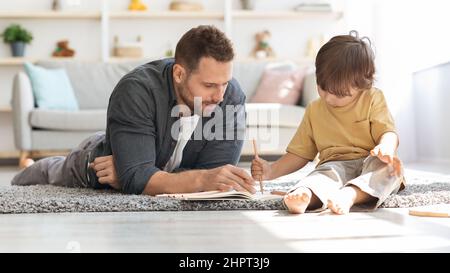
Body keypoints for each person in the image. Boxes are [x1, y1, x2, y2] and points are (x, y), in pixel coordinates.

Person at [12, 25, 256, 195]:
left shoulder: (230, 96)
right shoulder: (137, 90)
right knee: (56, 171)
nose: (220, 95)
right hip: (99, 159)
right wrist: (141, 176)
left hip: (136, 158)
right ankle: (29, 167)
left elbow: (218, 176)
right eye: (209, 85)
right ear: (179, 73)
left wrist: (141, 176)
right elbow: (203, 178)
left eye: (225, 83)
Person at [251, 31, 405, 215]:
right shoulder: (314, 109)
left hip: (371, 161)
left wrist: (385, 147)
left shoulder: (373, 97)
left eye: (340, 93)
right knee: (320, 178)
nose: (329, 98)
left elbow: (388, 131)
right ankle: (305, 196)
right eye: (323, 88)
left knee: (389, 171)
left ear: (363, 84)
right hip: (335, 165)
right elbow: (300, 153)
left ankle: (351, 195)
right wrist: (270, 171)